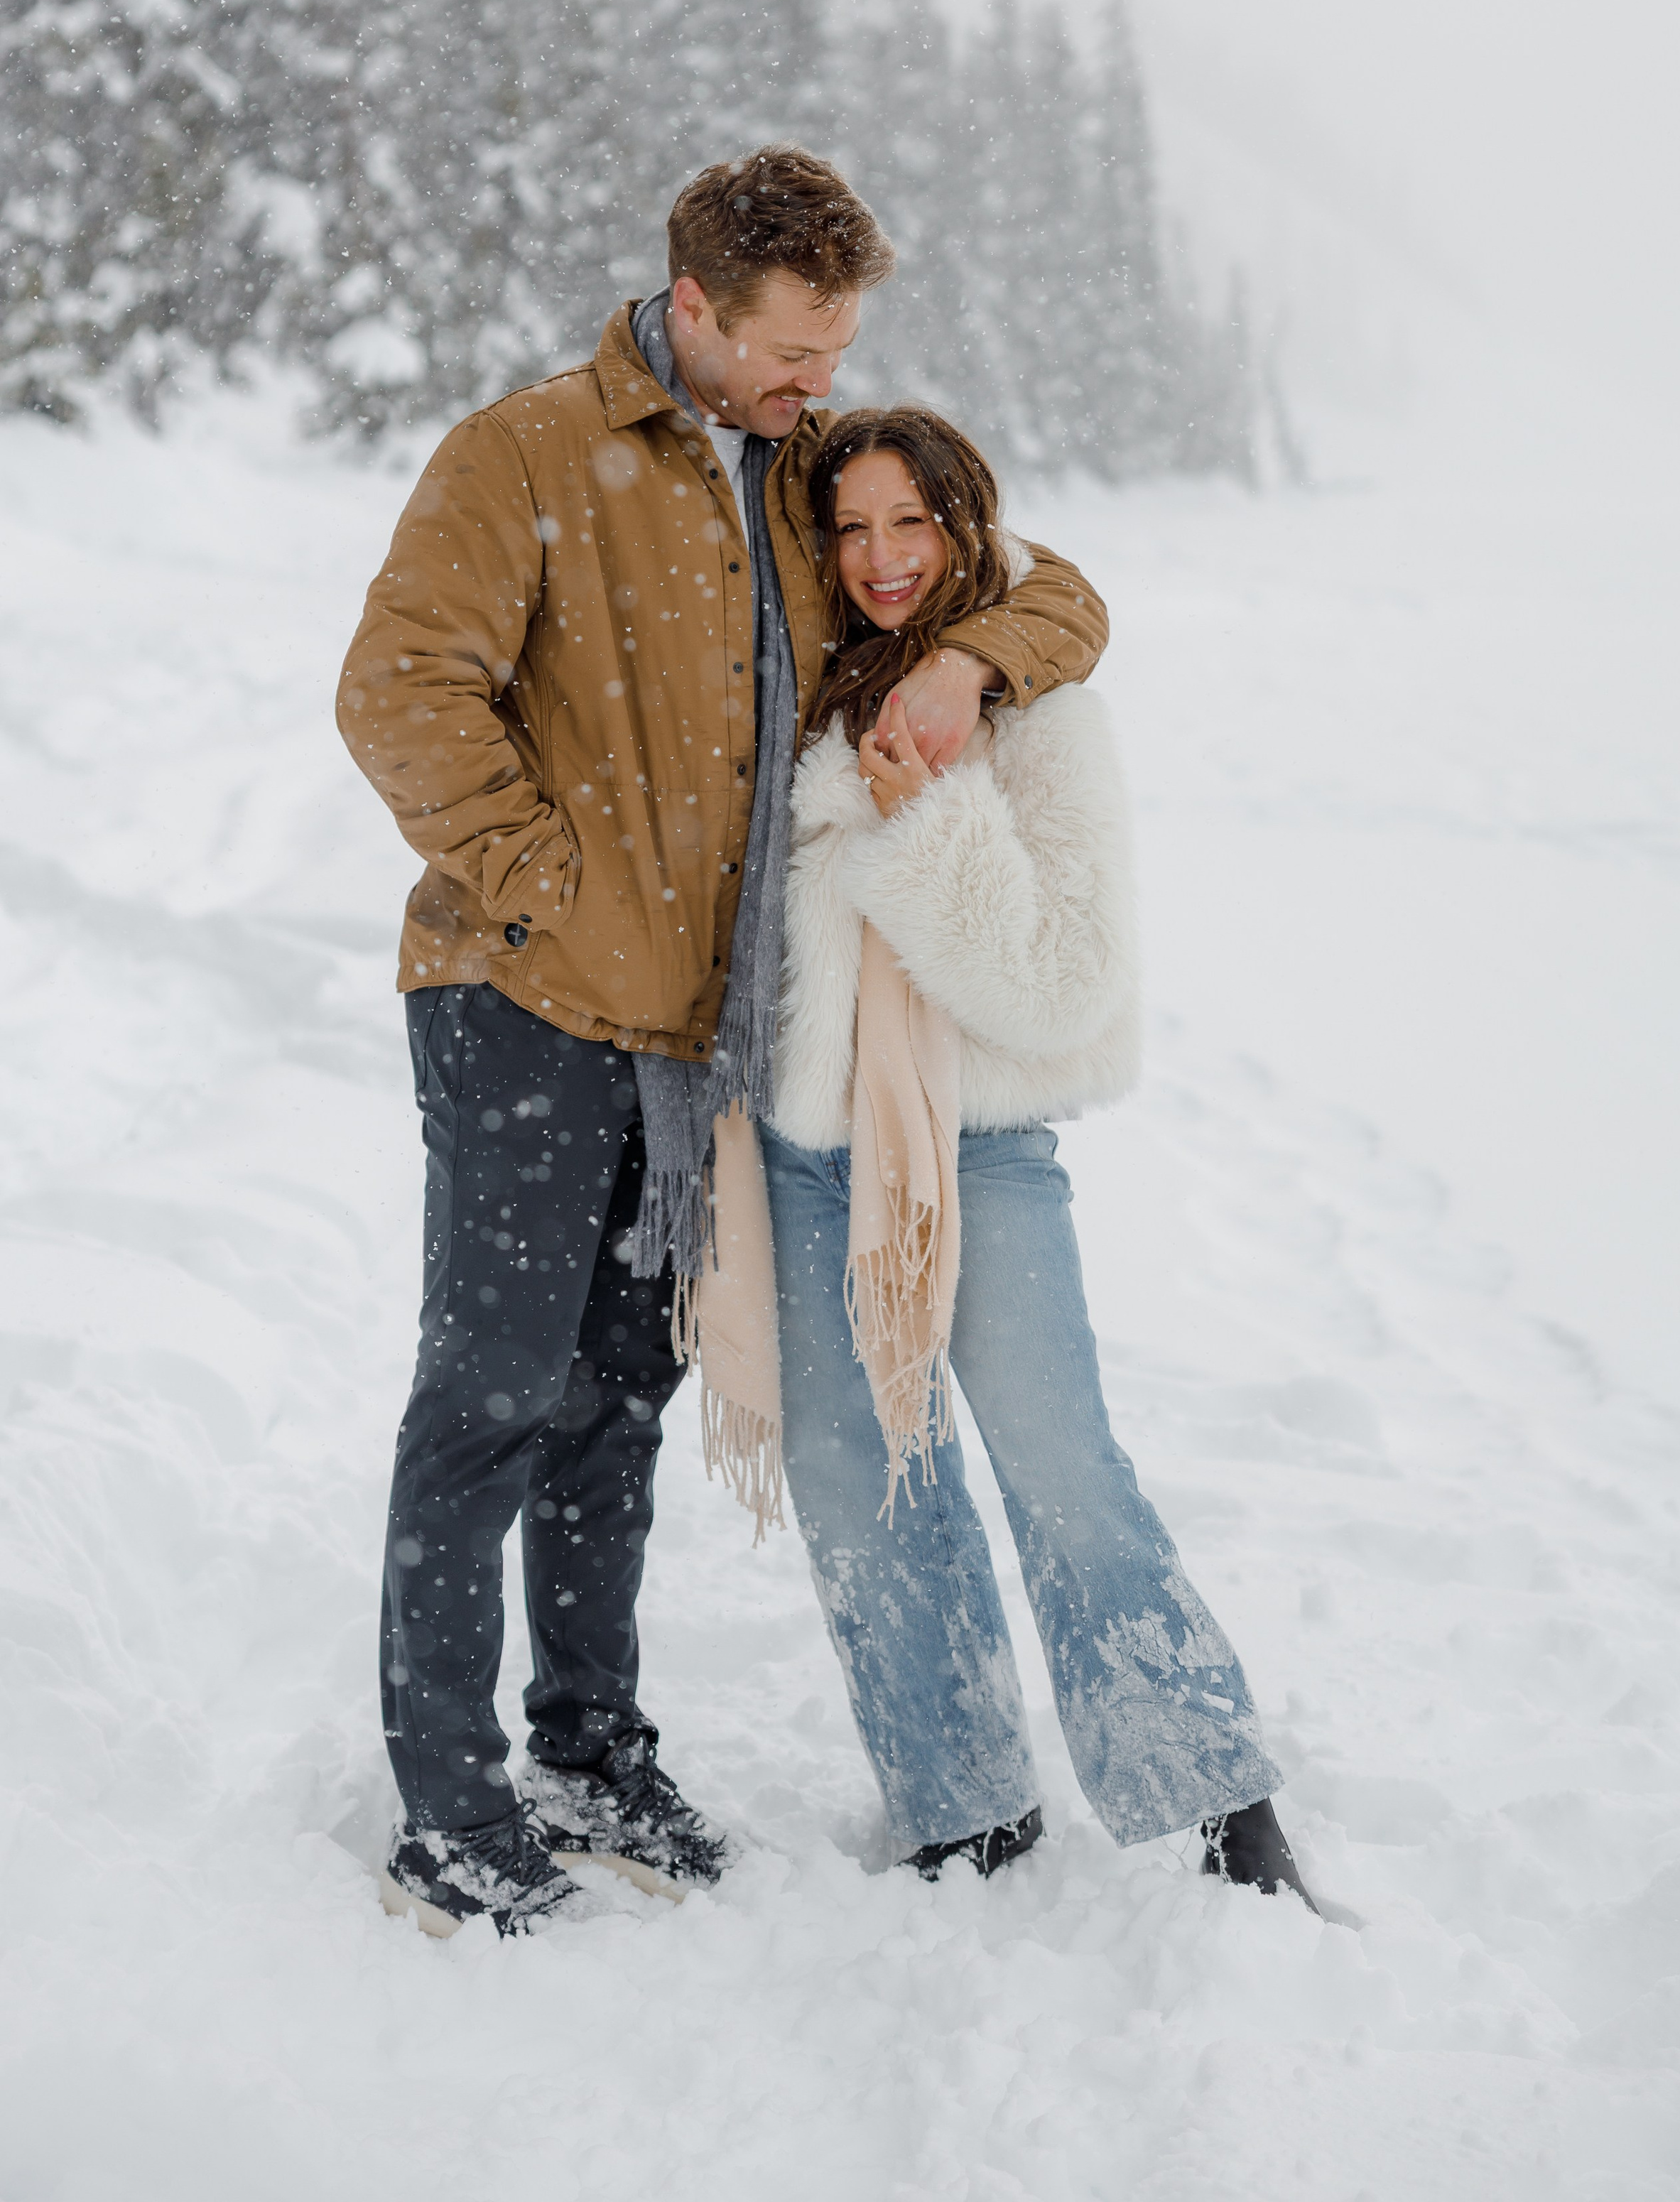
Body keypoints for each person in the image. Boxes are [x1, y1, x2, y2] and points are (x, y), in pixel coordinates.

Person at [335, 148, 1109, 1935]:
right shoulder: (526, 452)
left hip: (692, 1046)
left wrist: (959, 671)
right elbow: (398, 688)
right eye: (790, 350)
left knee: (617, 1402)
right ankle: (447, 1816)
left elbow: (1049, 591)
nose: (819, 384)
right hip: (521, 1006)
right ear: (693, 305)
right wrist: (546, 885)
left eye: (837, 352)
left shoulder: (803, 485)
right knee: (489, 1399)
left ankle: (588, 1753)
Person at [690, 406, 1315, 1904]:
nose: (881, 558)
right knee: (857, 1492)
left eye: (910, 523)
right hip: (797, 1154)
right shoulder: (787, 688)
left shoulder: (1031, 707)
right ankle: (957, 1802)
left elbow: (1061, 987)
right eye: (849, 527)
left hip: (975, 1155)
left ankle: (1209, 1796)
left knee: (1058, 1468)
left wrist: (929, 828)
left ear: (963, 524)